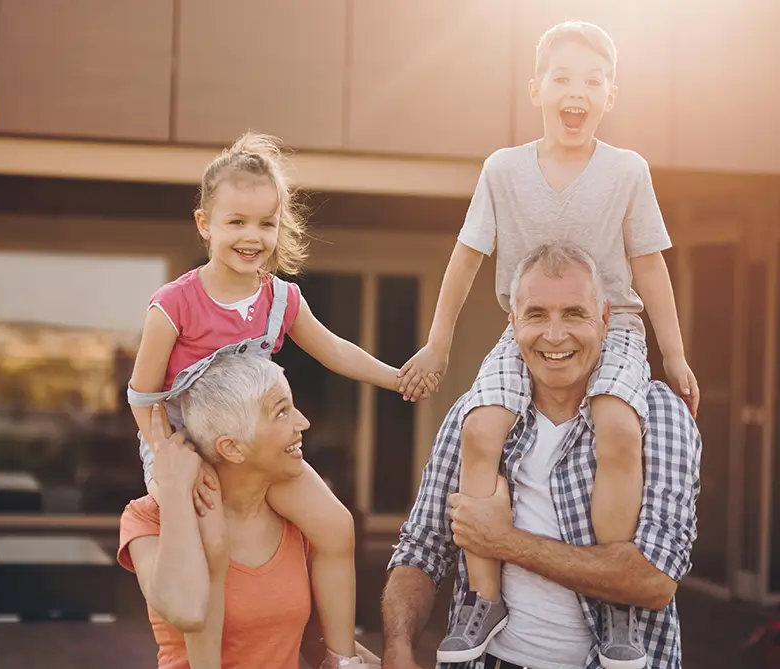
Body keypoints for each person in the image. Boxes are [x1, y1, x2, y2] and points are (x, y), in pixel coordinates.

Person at [396, 21, 698, 667]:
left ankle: (615, 610)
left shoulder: (627, 169)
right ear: (536, 89)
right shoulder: (504, 169)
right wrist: (438, 344)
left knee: (618, 423)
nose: (576, 91)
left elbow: (649, 264)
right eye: (562, 77)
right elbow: (467, 257)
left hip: (612, 329)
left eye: (592, 81)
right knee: (482, 426)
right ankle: (485, 598)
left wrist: (672, 354)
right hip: (522, 326)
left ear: (610, 95)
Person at [127, 131, 430, 666]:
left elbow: (334, 350)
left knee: (336, 526)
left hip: (255, 443)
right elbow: (142, 395)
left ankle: (340, 657)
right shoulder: (173, 305)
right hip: (184, 446)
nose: (253, 236)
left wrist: (393, 376)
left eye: (266, 223)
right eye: (236, 222)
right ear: (205, 224)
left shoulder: (281, 298)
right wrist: (173, 463)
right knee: (210, 547)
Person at [382, 243, 701, 669]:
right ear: (513, 323)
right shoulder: (477, 415)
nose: (554, 335)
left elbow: (653, 578)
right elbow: (422, 548)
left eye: (574, 314)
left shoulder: (658, 417)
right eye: (536, 315)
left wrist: (504, 542)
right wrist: (398, 647)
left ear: (605, 319)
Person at [119, 353, 381, 669]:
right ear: (232, 448)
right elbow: (186, 609)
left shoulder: (297, 521)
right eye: (281, 412)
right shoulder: (148, 520)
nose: (303, 422)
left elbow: (315, 641)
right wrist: (176, 494)